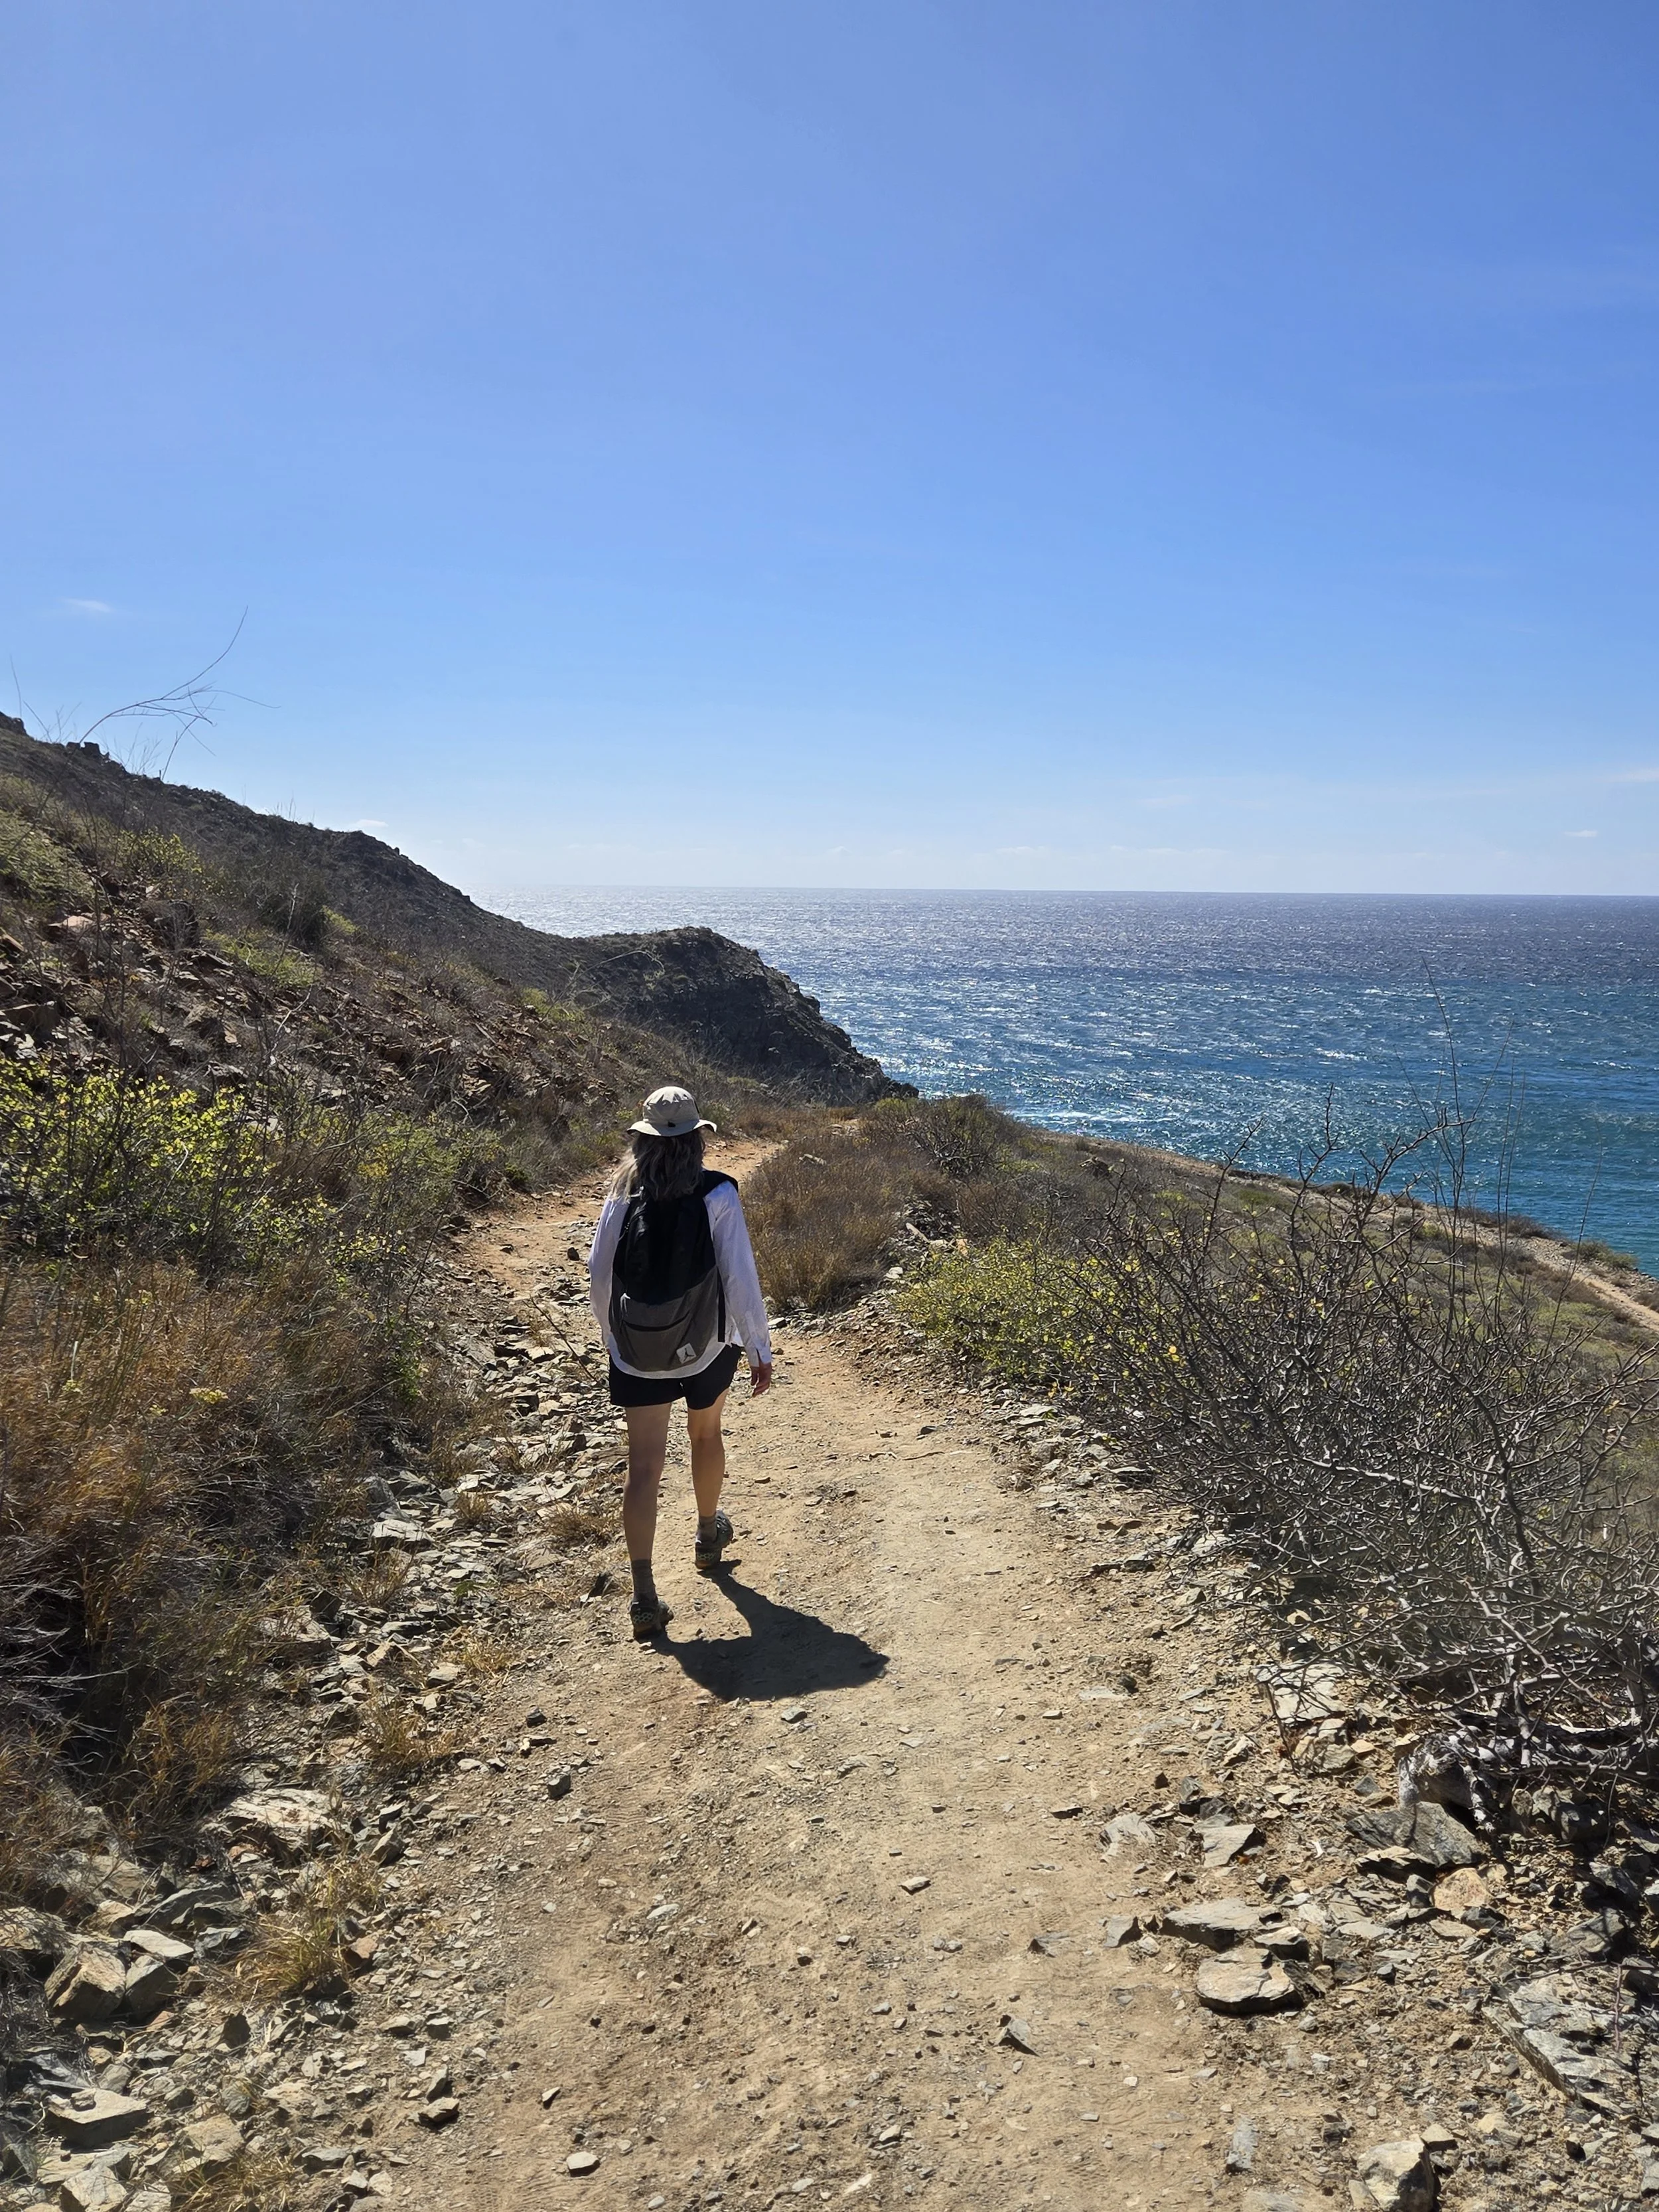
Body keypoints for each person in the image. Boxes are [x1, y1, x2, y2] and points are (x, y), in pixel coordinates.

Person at [587, 1085, 773, 1639]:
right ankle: (707, 1535)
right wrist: (758, 1346)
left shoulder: (622, 1192)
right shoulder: (719, 1192)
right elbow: (740, 1276)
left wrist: (614, 1339)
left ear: (642, 1141)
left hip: (636, 1352)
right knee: (705, 1434)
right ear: (698, 1139)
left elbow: (600, 1272)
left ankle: (644, 1595)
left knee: (643, 1464)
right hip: (708, 1344)